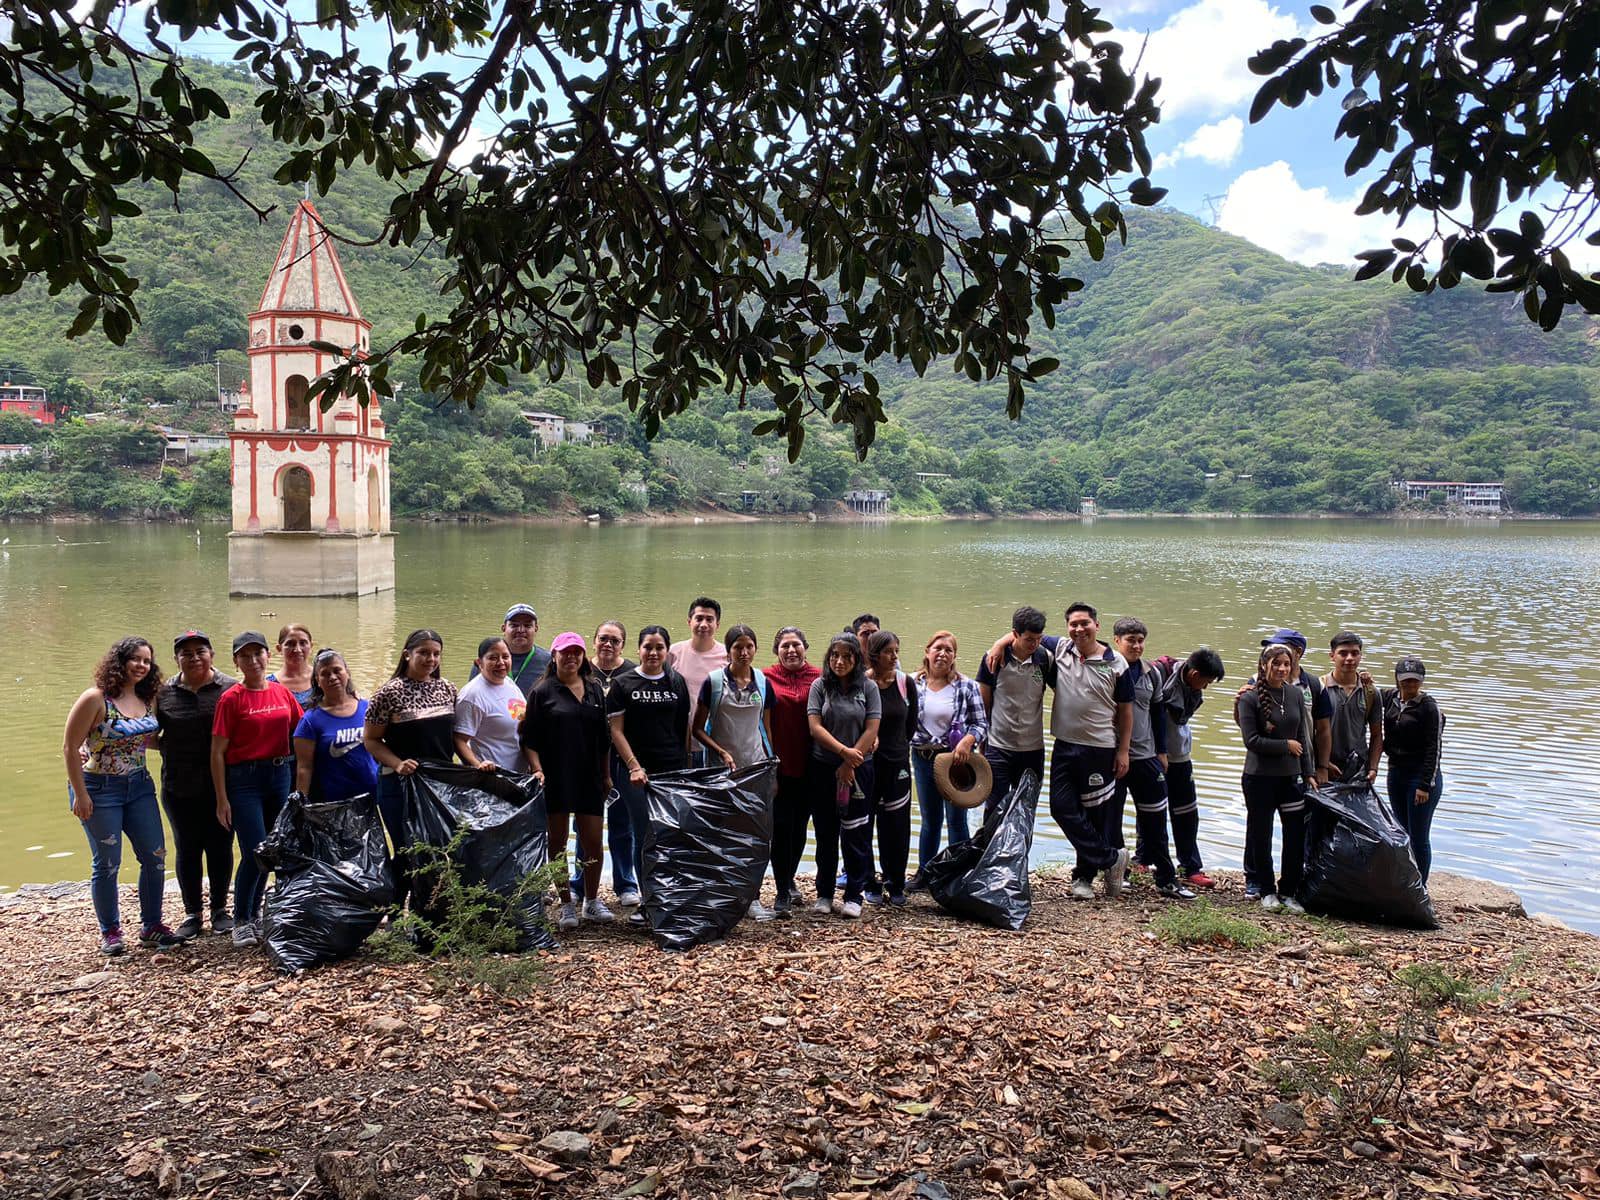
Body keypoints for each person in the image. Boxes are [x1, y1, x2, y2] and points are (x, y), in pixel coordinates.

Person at [63, 637, 178, 955]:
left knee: (155, 857)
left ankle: (152, 926)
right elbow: (70, 747)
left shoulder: (147, 698)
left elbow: (144, 739)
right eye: (136, 659)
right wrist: (81, 794)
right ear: (120, 661)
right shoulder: (96, 699)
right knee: (108, 863)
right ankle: (111, 932)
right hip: (99, 788)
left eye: (147, 661)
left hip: (139, 786)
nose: (142, 666)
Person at [211, 631, 303, 947]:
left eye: (258, 654)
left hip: (278, 775)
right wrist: (222, 798)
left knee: (272, 850)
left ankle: (255, 915)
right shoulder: (231, 699)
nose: (253, 661)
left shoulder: (282, 693)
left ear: (268, 656)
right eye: (245, 656)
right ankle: (241, 920)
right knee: (254, 850)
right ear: (236, 661)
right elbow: (217, 752)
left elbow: (301, 734)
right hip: (244, 779)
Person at [363, 629, 459, 913]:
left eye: (436, 654)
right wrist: (397, 763)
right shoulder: (388, 693)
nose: (431, 659)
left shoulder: (448, 689)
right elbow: (370, 740)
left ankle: (430, 913)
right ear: (407, 654)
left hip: (439, 787)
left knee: (438, 848)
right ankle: (394, 914)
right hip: (399, 785)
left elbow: (456, 737)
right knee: (407, 851)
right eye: (424, 653)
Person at [523, 633, 614, 929]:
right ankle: (565, 905)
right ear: (554, 656)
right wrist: (537, 769)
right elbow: (529, 738)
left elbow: (604, 739)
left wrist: (606, 775)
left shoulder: (594, 689)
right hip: (555, 775)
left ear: (583, 657)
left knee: (592, 841)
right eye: (565, 652)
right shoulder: (542, 692)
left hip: (589, 775)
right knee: (558, 842)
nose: (571, 657)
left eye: (577, 652)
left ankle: (591, 900)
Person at [607, 625, 692, 924]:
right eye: (648, 647)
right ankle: (648, 900)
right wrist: (633, 766)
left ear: (667, 651)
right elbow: (616, 731)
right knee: (644, 834)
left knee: (670, 834)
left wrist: (684, 769)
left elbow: (683, 728)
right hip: (635, 772)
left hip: (671, 768)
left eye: (659, 647)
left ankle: (669, 896)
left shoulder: (676, 681)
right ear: (639, 649)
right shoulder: (623, 683)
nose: (654, 653)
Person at [156, 630, 236, 938]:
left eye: (200, 651)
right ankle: (192, 913)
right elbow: (146, 732)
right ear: (176, 659)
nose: (193, 657)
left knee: (220, 846)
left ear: (212, 655)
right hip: (178, 785)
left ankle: (219, 909)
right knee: (187, 848)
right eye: (185, 653)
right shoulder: (163, 694)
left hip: (222, 785)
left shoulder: (230, 688)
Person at [1106, 618, 1190, 899]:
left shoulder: (1151, 673)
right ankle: (1119, 874)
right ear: (1117, 640)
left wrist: (1162, 752)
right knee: (1111, 820)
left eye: (1141, 640)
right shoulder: (1105, 668)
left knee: (1155, 818)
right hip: (1112, 757)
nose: (1137, 645)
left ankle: (1166, 879)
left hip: (1145, 757)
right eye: (1131, 640)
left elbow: (1157, 714)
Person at [806, 633, 882, 918]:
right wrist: (843, 753)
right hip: (824, 767)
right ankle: (824, 893)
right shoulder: (820, 686)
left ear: (856, 659)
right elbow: (815, 727)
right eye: (835, 655)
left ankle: (854, 895)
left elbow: (872, 728)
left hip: (860, 769)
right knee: (825, 832)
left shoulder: (869, 687)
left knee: (857, 832)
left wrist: (851, 762)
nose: (840, 661)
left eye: (847, 656)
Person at [1236, 643, 1316, 913]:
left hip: (1291, 778)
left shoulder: (1294, 694)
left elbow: (1303, 737)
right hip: (1259, 778)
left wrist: (1309, 773)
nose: (1282, 669)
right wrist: (1285, 745)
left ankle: (1289, 891)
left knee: (1295, 834)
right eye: (1276, 664)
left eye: (1287, 664)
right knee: (1262, 834)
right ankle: (1266, 889)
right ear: (1264, 665)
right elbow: (1252, 741)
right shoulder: (1250, 698)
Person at [908, 631, 988, 891]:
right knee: (930, 818)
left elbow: (981, 724)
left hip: (955, 761)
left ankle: (958, 874)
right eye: (938, 648)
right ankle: (926, 872)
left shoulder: (966, 686)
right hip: (922, 757)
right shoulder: (912, 683)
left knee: (956, 819)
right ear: (927, 651)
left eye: (949, 650)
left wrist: (968, 740)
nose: (942, 654)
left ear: (954, 656)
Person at [1146, 648, 1227, 888]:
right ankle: (1143, 859)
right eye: (1206, 681)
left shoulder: (1191, 689)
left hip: (1180, 755)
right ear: (1193, 673)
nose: (1206, 686)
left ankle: (1191, 866)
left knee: (1187, 812)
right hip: (1151, 754)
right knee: (1151, 810)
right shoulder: (1158, 675)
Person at [975, 606, 1055, 820]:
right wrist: (983, 743)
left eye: (1038, 638)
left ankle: (1020, 855)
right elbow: (984, 705)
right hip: (999, 747)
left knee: (1025, 811)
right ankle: (989, 853)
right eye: (1029, 639)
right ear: (1015, 634)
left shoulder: (1045, 659)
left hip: (1033, 749)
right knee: (994, 810)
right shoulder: (993, 660)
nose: (1034, 644)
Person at [764, 626, 822, 916]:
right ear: (777, 650)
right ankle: (782, 891)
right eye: (785, 646)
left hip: (811, 763)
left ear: (805, 647)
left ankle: (790, 879)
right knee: (781, 826)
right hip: (779, 764)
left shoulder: (819, 677)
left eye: (796, 645)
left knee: (801, 826)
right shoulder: (765, 677)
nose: (791, 650)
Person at [1381, 657, 1445, 884]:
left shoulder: (1429, 707)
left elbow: (1434, 749)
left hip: (1421, 777)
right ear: (1397, 680)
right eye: (1405, 680)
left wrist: (1424, 784)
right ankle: (1403, 881)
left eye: (1415, 681)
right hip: (1396, 772)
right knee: (1401, 831)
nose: (1410, 685)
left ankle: (1420, 885)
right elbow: (1367, 695)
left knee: (1418, 837)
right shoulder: (1390, 698)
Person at [865, 630, 917, 906]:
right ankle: (869, 883)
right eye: (888, 652)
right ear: (875, 655)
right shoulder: (862, 683)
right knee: (864, 824)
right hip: (867, 764)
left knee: (896, 826)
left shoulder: (905, 682)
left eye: (897, 650)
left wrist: (896, 747)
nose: (895, 656)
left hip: (897, 763)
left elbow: (912, 724)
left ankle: (895, 882)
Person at [591, 621, 641, 907]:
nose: (608, 645)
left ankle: (625, 883)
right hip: (588, 757)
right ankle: (582, 884)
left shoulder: (632, 672)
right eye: (603, 639)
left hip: (622, 757)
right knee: (588, 822)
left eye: (615, 640)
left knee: (623, 822)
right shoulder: (582, 669)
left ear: (623, 644)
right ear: (595, 640)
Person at [293, 649, 379, 805]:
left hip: (372, 797)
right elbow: (304, 768)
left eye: (337, 670)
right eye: (325, 674)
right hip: (332, 805)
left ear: (347, 673)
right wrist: (301, 806)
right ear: (317, 681)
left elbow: (381, 748)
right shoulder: (310, 721)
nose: (332, 677)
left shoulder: (368, 708)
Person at [454, 636, 527, 771]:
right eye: (493, 658)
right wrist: (477, 765)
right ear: (479, 662)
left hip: (517, 776)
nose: (501, 662)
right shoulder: (472, 695)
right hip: (491, 778)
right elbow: (459, 740)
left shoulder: (508, 682)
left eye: (505, 657)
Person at [669, 597, 728, 763]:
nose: (704, 624)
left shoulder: (727, 656)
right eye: (699, 618)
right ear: (689, 622)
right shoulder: (674, 652)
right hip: (679, 738)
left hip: (714, 742)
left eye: (709, 619)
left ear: (718, 624)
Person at [1322, 631, 1383, 785]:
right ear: (1332, 656)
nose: (1349, 658)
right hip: (1324, 768)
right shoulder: (1319, 688)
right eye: (1343, 653)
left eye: (1354, 653)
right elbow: (1307, 732)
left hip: (1358, 769)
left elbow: (1377, 734)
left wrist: (1373, 768)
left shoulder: (1370, 692)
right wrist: (1322, 764)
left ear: (1360, 656)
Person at [472, 603, 551, 698]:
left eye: (527, 625)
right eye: (514, 625)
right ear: (504, 628)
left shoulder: (549, 661)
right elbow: (473, 694)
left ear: (536, 629)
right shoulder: (486, 660)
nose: (521, 630)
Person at [268, 623, 315, 706]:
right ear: (279, 648)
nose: (297, 649)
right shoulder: (269, 684)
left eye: (303, 643)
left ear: (311, 646)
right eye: (290, 644)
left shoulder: (322, 677)